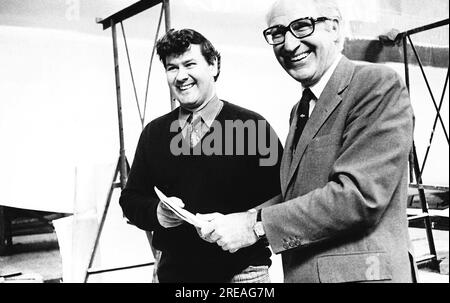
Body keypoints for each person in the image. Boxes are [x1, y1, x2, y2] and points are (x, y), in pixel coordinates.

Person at [198, 0, 418, 283]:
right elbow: (301, 193)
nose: (289, 44)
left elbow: (358, 196)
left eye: (302, 26)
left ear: (334, 28)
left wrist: (254, 226)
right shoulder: (301, 109)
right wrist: (239, 218)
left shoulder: (376, 85)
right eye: (277, 33)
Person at [119, 28, 283, 283]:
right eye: (172, 68)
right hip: (172, 275)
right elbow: (130, 199)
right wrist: (158, 213)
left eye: (190, 64)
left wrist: (247, 222)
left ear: (213, 65)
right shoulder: (154, 133)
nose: (181, 76)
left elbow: (284, 195)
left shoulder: (253, 126)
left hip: (243, 275)